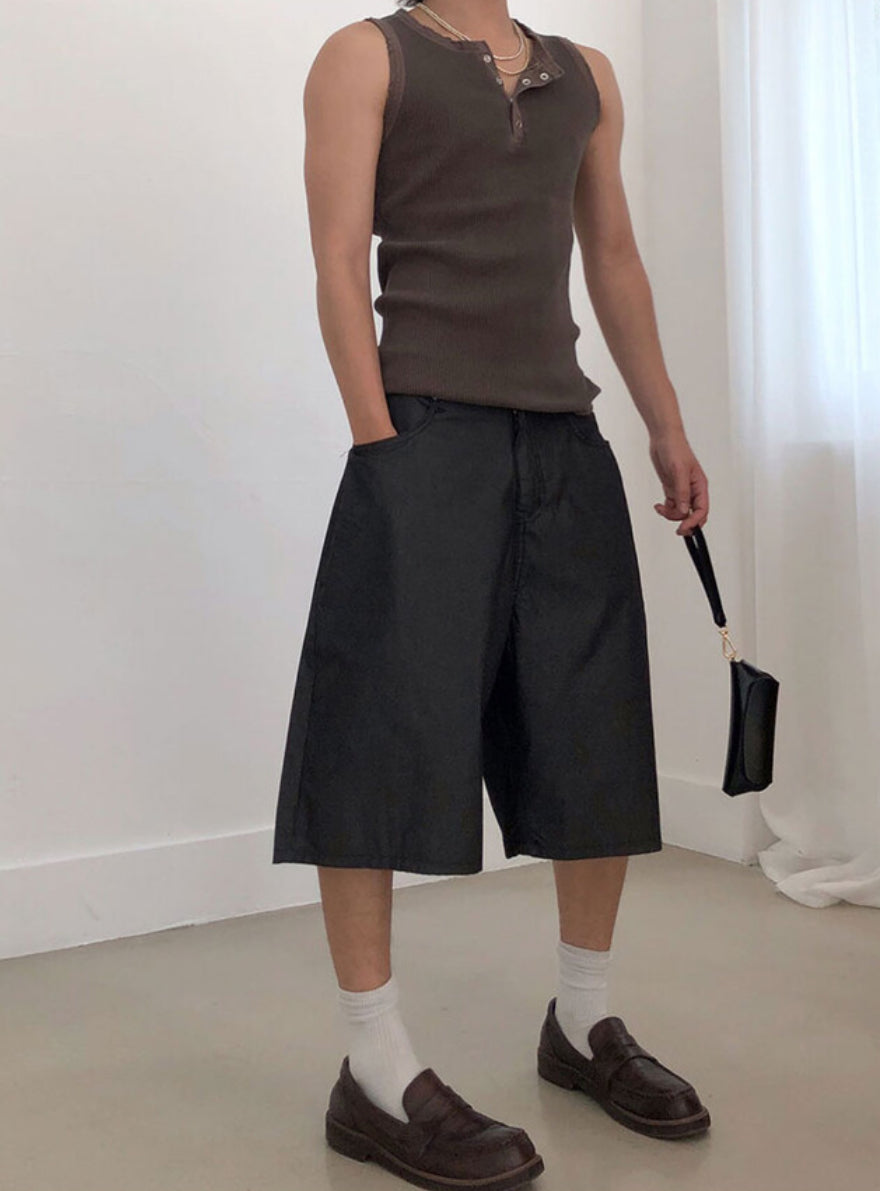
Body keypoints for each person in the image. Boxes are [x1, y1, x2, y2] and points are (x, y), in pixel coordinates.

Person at [272, 2, 711, 1187]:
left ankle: (582, 1020)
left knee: (588, 723)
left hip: (563, 437)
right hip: (424, 432)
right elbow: (336, 258)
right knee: (375, 730)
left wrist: (665, 426)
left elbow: (611, 256)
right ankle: (372, 1065)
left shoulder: (584, 72)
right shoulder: (366, 55)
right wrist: (381, 445)